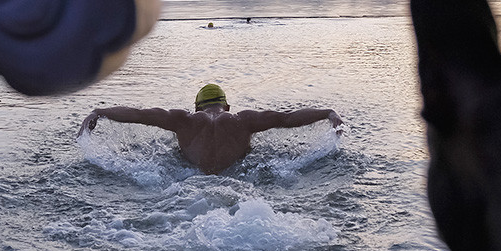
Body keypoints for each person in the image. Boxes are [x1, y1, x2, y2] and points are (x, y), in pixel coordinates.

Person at [79, 84, 343, 174]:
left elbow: (139, 114)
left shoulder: (181, 120)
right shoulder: (243, 120)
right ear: (226, 106)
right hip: (238, 182)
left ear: (196, 107)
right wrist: (328, 113)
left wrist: (99, 112)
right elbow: (286, 118)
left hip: (187, 185)